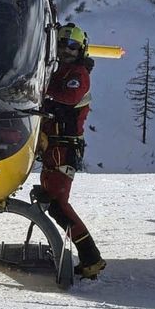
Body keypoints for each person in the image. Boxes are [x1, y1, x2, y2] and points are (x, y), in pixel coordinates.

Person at [32, 23, 106, 279]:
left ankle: (91, 258)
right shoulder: (60, 70)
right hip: (53, 146)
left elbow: (67, 99)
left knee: (59, 205)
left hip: (64, 147)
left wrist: (38, 92)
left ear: (81, 49)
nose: (66, 49)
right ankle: (89, 257)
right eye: (62, 44)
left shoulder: (77, 74)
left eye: (72, 46)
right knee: (53, 202)